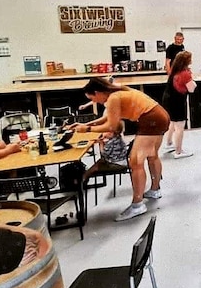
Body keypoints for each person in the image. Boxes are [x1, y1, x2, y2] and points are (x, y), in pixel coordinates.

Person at [69, 77, 170, 221]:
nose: (95, 102)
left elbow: (112, 126)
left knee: (135, 162)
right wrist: (84, 124)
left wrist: (87, 129)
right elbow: (109, 118)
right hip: (160, 115)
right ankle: (155, 190)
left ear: (97, 92)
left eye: (94, 98)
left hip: (150, 120)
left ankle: (137, 205)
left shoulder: (113, 98)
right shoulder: (117, 91)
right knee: (152, 155)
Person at [162, 50, 196, 159]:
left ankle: (168, 143)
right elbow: (191, 89)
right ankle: (179, 151)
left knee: (172, 121)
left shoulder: (174, 71)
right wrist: (192, 78)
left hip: (167, 98)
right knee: (180, 126)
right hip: (177, 101)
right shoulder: (185, 73)